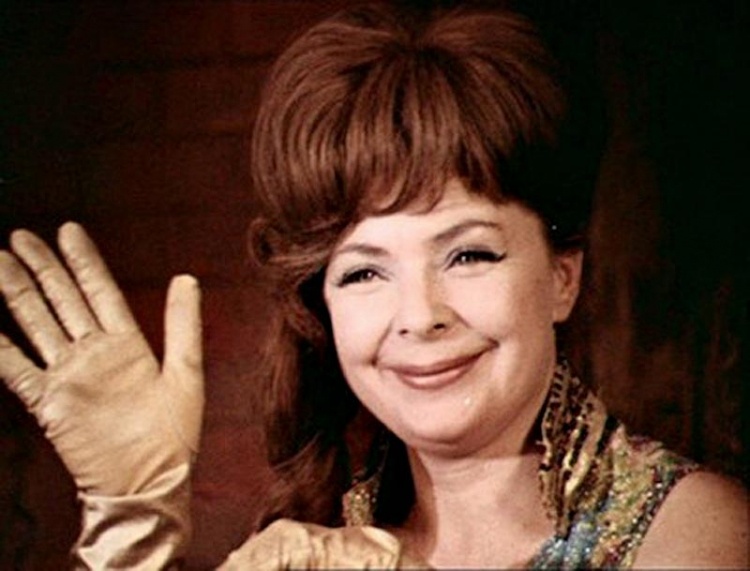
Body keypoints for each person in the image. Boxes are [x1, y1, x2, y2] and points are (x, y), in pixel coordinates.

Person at [0, 2, 747, 569]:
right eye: (363, 271)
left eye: (468, 256)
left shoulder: (695, 530)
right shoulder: (311, 549)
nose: (419, 315)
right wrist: (133, 528)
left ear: (562, 276)